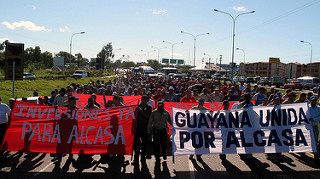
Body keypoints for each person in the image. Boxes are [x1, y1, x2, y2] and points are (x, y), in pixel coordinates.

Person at [133, 95, 152, 165]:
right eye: (142, 100)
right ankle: (136, 159)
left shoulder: (149, 107)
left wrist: (140, 110)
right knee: (136, 144)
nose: (143, 101)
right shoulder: (137, 107)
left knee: (144, 144)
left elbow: (147, 116)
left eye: (145, 100)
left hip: (145, 128)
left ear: (147, 100)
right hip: (137, 128)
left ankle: (143, 157)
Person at [306, 96, 320, 164]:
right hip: (308, 127)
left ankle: (316, 156)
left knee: (315, 142)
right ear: (310, 101)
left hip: (314, 126)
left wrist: (314, 119)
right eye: (313, 100)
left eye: (315, 100)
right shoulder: (307, 107)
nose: (314, 102)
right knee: (307, 141)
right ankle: (302, 153)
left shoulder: (318, 108)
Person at [0, 96, 11, 161]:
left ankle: (2, 152)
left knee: (2, 138)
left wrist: (9, 123)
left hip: (3, 125)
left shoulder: (4, 106)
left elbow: (10, 114)